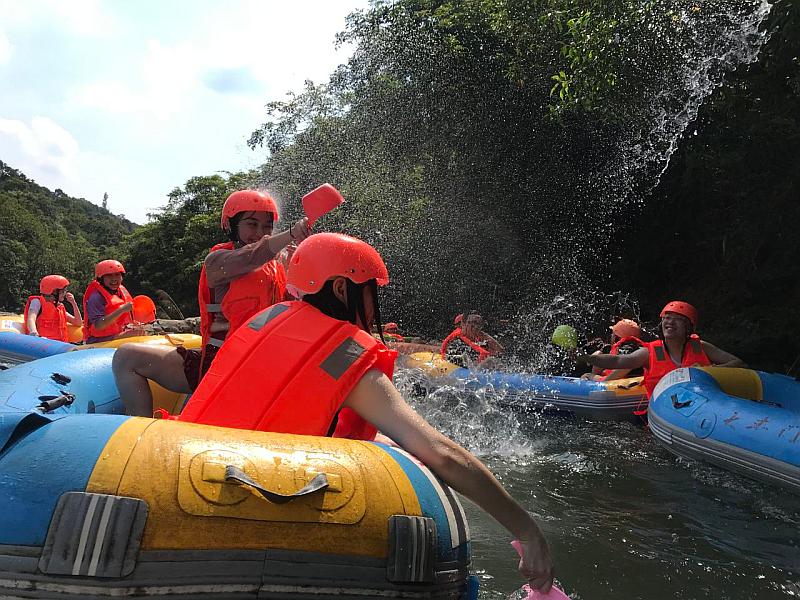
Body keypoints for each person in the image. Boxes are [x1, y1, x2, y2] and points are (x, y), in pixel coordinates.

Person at [176, 232, 554, 590]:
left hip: (180, 485)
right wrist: (527, 531)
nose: (374, 304)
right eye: (371, 291)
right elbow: (440, 453)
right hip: (243, 522)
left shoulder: (264, 322)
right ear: (342, 288)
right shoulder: (345, 354)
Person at [114, 189, 310, 417]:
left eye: (266, 226)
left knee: (124, 358)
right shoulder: (218, 262)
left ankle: (142, 429)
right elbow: (252, 257)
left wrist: (300, 257)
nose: (260, 233)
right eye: (252, 224)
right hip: (226, 364)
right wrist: (290, 235)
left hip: (230, 368)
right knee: (126, 356)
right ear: (231, 226)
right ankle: (141, 430)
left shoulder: (279, 265)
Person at [580, 301, 745, 401]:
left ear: (689, 327)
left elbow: (738, 363)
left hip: (703, 404)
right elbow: (619, 361)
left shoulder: (700, 346)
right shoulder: (650, 352)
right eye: (667, 318)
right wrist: (586, 357)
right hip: (665, 411)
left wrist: (708, 371)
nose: (670, 323)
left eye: (678, 320)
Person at [82, 260, 139, 343]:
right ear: (101, 279)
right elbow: (98, 325)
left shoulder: (120, 291)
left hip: (115, 335)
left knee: (140, 333)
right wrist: (121, 309)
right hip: (98, 340)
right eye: (109, 276)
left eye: (117, 275)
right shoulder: (96, 297)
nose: (114, 279)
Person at [580, 318, 645, 381]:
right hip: (629, 379)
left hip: (621, 383)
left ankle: (594, 384)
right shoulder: (636, 347)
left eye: (613, 334)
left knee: (587, 375)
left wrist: (605, 380)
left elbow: (629, 364)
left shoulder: (626, 348)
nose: (611, 336)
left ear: (617, 337)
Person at [23, 275, 83, 342]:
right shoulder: (37, 302)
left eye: (65, 291)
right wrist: (34, 333)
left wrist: (73, 303)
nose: (65, 293)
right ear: (53, 292)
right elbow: (31, 318)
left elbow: (78, 323)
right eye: (63, 291)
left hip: (60, 345)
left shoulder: (59, 307)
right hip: (42, 344)